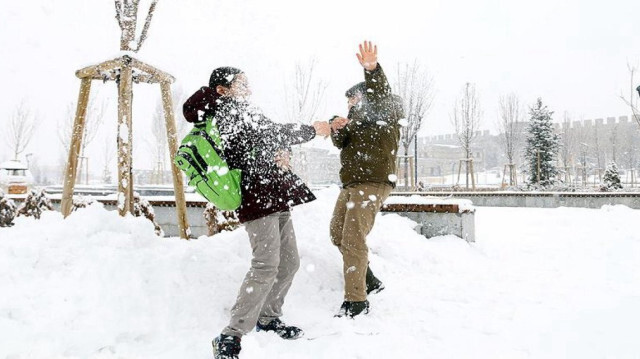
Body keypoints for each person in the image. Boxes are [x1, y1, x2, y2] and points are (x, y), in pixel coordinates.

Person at [183, 67, 331, 359]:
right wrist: (312, 130)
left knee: (289, 262)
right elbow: (266, 133)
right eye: (242, 84)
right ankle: (230, 335)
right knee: (265, 264)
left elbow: (269, 136)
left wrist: (284, 150)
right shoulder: (224, 111)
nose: (248, 89)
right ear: (223, 89)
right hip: (256, 197)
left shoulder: (244, 110)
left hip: (275, 193)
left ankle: (269, 318)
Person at [328, 41, 404, 318]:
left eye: (354, 100)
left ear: (367, 97)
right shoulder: (356, 123)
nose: (350, 105)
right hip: (352, 184)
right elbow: (341, 143)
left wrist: (371, 70)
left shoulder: (385, 111)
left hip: (373, 182)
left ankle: (357, 301)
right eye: (348, 101)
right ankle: (369, 279)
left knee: (352, 238)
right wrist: (337, 127)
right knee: (337, 233)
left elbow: (381, 93)